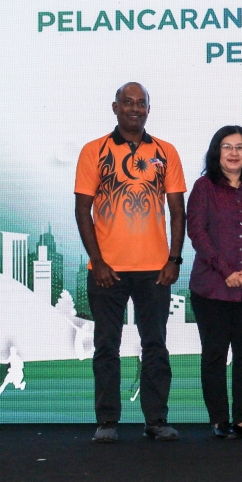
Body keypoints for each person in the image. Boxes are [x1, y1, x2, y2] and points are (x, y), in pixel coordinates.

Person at [74, 82, 186, 443]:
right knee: (107, 346)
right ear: (115, 107)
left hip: (156, 269)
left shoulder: (165, 152)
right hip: (108, 270)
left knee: (155, 345)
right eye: (128, 103)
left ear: (148, 109)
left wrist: (173, 259)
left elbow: (177, 212)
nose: (134, 109)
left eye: (141, 104)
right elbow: (82, 209)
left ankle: (156, 421)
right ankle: (107, 423)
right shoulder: (94, 151)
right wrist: (97, 261)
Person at [187, 125, 242, 439]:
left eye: (241, 147)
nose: (234, 153)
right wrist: (226, 270)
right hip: (211, 287)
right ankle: (218, 420)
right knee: (214, 354)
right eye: (227, 146)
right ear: (216, 151)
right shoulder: (204, 187)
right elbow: (198, 233)